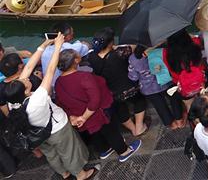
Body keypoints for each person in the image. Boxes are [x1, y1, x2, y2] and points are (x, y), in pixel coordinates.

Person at [1, 34, 97, 180]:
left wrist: (44, 45)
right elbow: (51, 71)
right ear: (24, 89)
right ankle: (81, 174)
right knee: (69, 151)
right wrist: (57, 47)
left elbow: (29, 66)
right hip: (57, 129)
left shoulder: (13, 101)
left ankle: (64, 174)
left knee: (51, 154)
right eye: (23, 82)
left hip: (36, 134)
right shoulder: (38, 98)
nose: (25, 79)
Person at [54, 49, 142, 163]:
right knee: (111, 131)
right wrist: (84, 117)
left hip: (78, 115)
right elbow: (95, 100)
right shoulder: (84, 77)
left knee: (94, 133)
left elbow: (60, 102)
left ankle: (104, 150)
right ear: (75, 60)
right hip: (96, 113)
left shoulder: (58, 82)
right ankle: (124, 151)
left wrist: (73, 117)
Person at [85, 28, 147, 136]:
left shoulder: (91, 57)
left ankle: (133, 129)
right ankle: (139, 127)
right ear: (110, 43)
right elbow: (134, 46)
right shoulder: (119, 53)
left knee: (120, 109)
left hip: (111, 92)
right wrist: (115, 47)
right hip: (129, 87)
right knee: (139, 101)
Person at [128, 45, 184, 129]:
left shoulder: (133, 58)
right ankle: (179, 120)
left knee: (160, 105)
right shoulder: (160, 50)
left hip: (148, 88)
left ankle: (172, 124)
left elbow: (134, 77)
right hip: (165, 82)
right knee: (174, 99)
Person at [163, 29, 207, 119]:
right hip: (200, 81)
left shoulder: (166, 52)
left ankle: (195, 123)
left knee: (189, 106)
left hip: (183, 86)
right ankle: (207, 119)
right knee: (205, 102)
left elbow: (170, 70)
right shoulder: (195, 43)